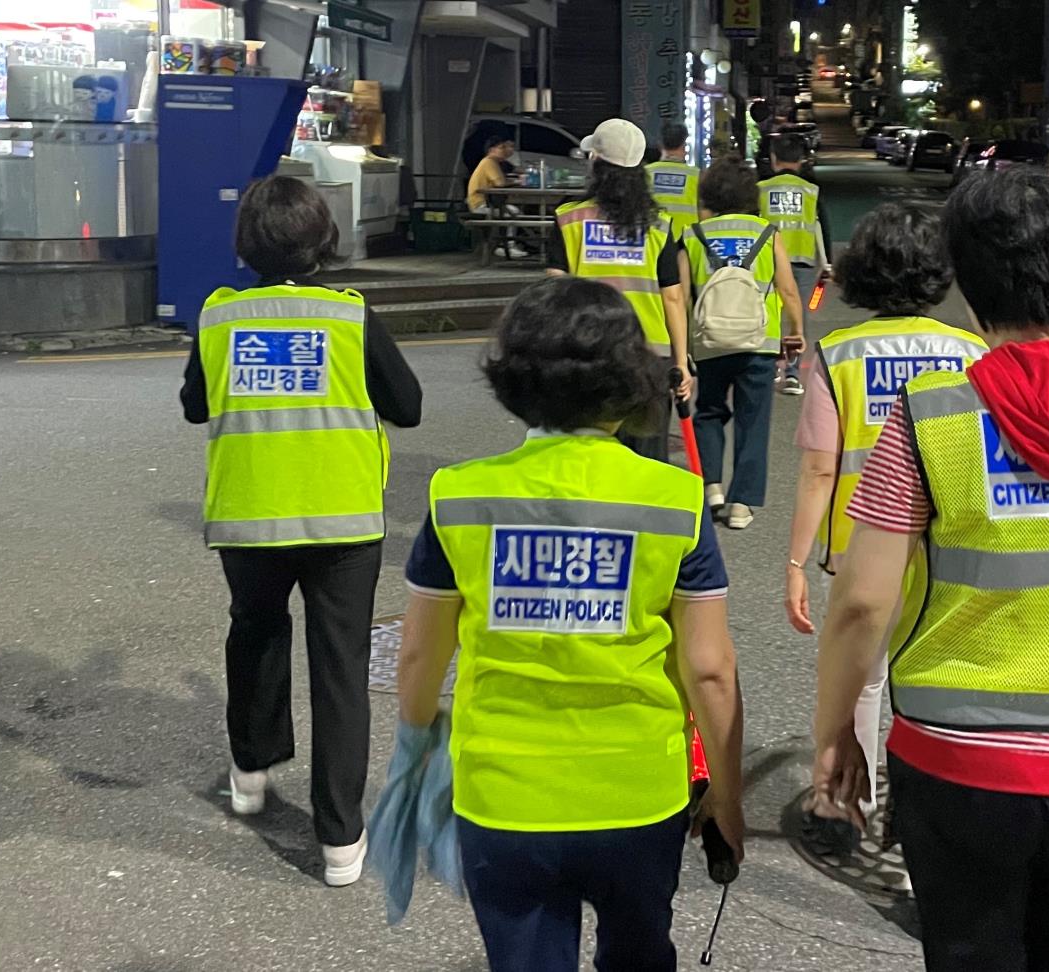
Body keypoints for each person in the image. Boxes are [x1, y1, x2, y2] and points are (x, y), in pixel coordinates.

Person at [810, 167, 1049, 971]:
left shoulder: (931, 415)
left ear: (969, 284)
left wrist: (838, 731)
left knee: (970, 952)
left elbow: (860, 604)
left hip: (962, 762)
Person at [393, 276, 745, 971]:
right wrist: (728, 796)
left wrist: (421, 754)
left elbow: (416, 663)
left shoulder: (458, 496)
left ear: (512, 380)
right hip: (638, 794)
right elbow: (709, 669)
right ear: (629, 382)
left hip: (504, 794)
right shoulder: (674, 501)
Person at [179, 175, 423, 886]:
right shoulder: (349, 317)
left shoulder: (220, 318)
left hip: (250, 512)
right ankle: (341, 840)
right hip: (342, 519)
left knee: (255, 628)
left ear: (246, 243)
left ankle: (251, 770)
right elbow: (407, 405)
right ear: (322, 239)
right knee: (340, 664)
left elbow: (196, 406)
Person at [784, 202, 988, 835]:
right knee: (938, 683)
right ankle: (933, 813)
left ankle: (847, 803)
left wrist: (794, 562)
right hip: (949, 549)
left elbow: (820, 470)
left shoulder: (839, 353)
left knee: (862, 682)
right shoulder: (970, 351)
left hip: (857, 549)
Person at [549, 118, 690, 461]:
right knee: (648, 459)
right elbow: (672, 296)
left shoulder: (567, 218)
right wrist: (682, 361)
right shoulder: (658, 225)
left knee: (587, 453)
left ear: (595, 161)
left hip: (585, 353)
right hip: (650, 356)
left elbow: (554, 296)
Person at [679, 158, 805, 531]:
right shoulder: (767, 233)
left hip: (710, 340)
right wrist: (795, 331)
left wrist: (684, 346)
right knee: (754, 421)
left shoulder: (693, 234)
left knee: (709, 411)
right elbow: (788, 290)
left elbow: (682, 297)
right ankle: (741, 504)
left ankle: (712, 485)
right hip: (758, 343)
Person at [758, 132, 832, 397]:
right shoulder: (811, 191)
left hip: (765, 260)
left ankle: (766, 369)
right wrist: (828, 263)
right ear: (802, 160)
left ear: (774, 159)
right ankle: (791, 373)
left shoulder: (762, 188)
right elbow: (820, 226)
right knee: (796, 316)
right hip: (801, 260)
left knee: (766, 314)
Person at [468, 133, 527, 259]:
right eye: (501, 148)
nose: (505, 151)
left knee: (512, 211)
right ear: (491, 150)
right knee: (513, 212)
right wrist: (516, 182)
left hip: (488, 202)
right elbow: (500, 183)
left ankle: (508, 243)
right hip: (480, 205)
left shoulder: (494, 162)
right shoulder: (488, 162)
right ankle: (506, 245)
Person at [646, 121, 701, 240]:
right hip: (687, 241)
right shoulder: (697, 176)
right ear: (684, 145)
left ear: (660, 145)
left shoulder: (645, 173)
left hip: (653, 241)